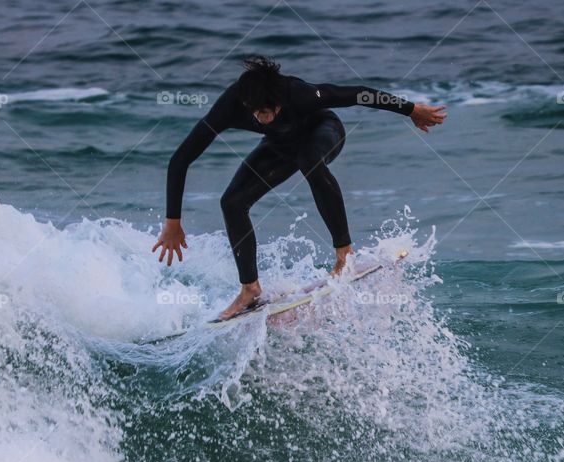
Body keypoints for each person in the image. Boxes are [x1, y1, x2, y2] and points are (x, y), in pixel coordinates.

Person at [153, 55, 447, 320]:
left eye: (269, 111)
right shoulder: (233, 103)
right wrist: (173, 222)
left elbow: (358, 94)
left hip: (323, 133)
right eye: (257, 114)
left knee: (309, 161)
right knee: (232, 201)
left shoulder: (300, 94)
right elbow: (181, 158)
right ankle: (250, 289)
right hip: (279, 147)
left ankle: (344, 255)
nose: (263, 118)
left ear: (279, 100)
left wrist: (410, 110)